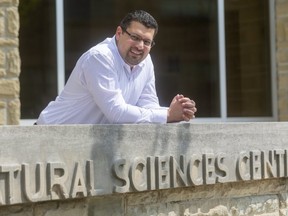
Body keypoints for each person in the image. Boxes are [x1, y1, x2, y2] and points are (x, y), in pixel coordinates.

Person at [36, 10, 197, 125]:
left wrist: (178, 111)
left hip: (87, 144)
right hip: (49, 137)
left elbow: (148, 106)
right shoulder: (100, 57)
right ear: (119, 33)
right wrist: (167, 114)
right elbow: (116, 112)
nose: (140, 46)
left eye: (147, 42)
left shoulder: (146, 62)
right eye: (135, 37)